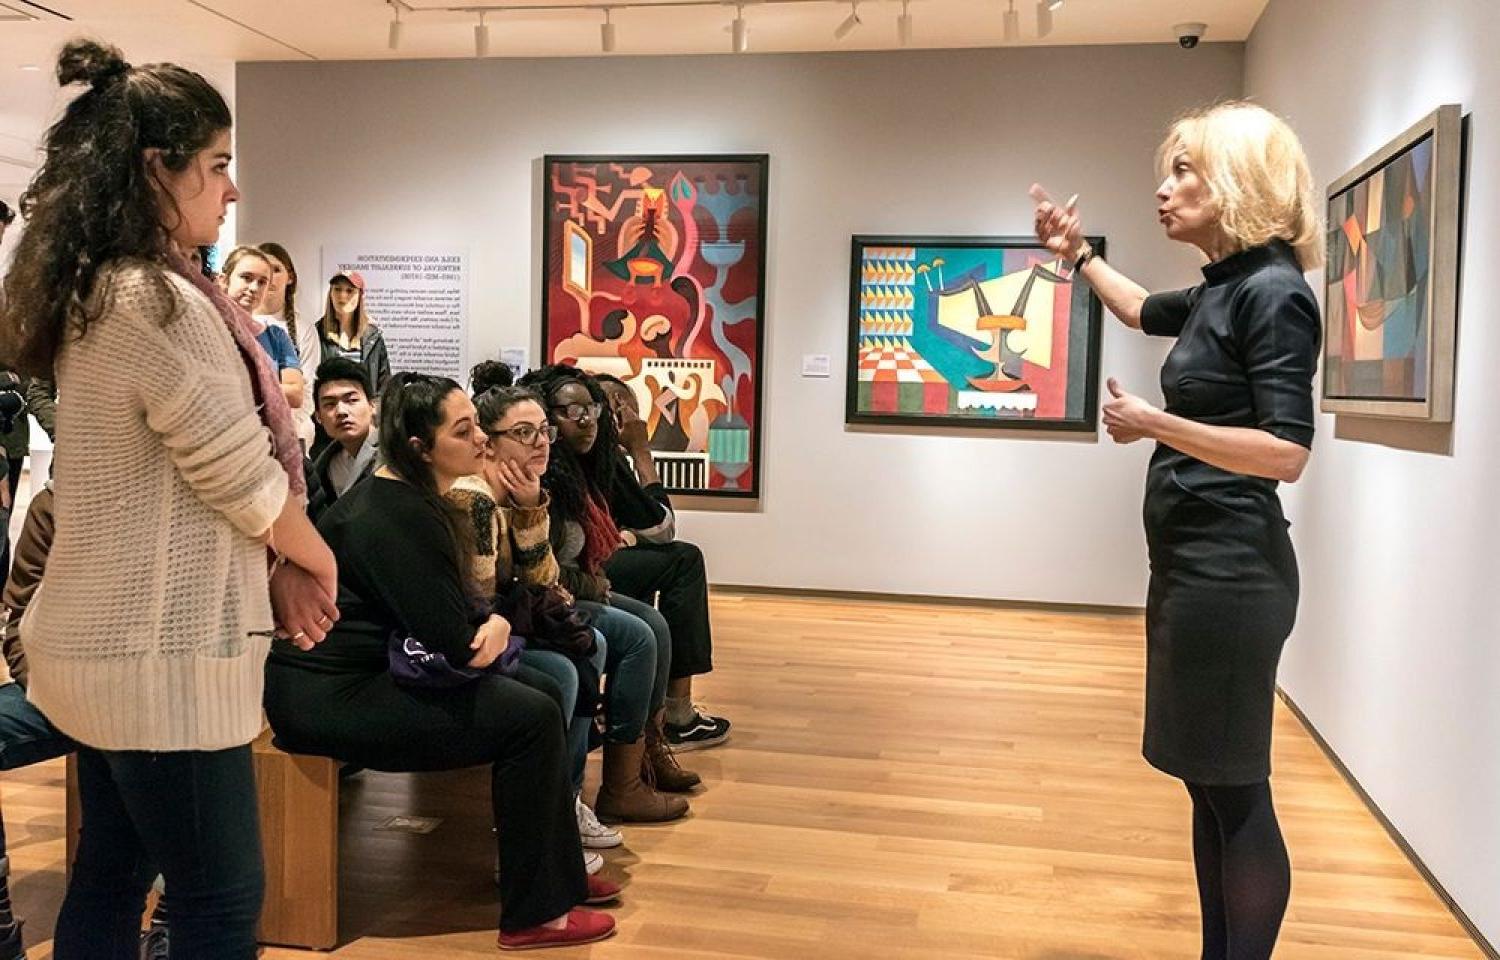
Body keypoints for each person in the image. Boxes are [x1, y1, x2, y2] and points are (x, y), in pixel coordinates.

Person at [0, 40, 340, 958]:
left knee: (112, 873)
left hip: (112, 649)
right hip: (161, 664)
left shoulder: (104, 287)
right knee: (221, 900)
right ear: (159, 168)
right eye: (218, 165)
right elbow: (240, 474)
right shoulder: (157, 300)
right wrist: (314, 555)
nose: (230, 191)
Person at [1032, 101, 1321, 960]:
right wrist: (1078, 256)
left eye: (1185, 169)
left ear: (1239, 180)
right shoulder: (1225, 286)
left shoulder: (1275, 293)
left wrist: (1158, 425)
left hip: (1233, 579)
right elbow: (1136, 309)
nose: (1164, 187)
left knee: (1236, 793)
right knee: (1207, 785)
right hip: (1195, 572)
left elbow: (1286, 452)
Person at [264, 373, 618, 949]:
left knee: (544, 695)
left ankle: (556, 878)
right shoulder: (395, 514)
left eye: (476, 424)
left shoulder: (413, 498)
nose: (481, 439)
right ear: (419, 449)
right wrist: (505, 619)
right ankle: (536, 915)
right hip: (328, 697)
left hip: (367, 672)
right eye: (465, 430)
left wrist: (500, 616)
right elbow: (461, 641)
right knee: (529, 717)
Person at [460, 383, 681, 829]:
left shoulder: (559, 474)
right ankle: (563, 805)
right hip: (487, 626)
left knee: (637, 627)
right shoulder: (479, 498)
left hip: (534, 607)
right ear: (488, 441)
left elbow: (544, 576)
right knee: (603, 644)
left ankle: (598, 787)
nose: (541, 440)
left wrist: (528, 508)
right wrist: (574, 587)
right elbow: (489, 596)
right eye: (524, 432)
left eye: (542, 430)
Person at [518, 365, 701, 800]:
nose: (586, 419)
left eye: (593, 408)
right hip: (548, 594)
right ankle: (623, 778)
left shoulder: (592, 464)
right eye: (571, 410)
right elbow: (535, 568)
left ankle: (641, 760)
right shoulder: (546, 474)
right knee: (642, 628)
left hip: (579, 582)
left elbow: (654, 527)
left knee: (653, 623)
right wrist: (641, 451)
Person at [596, 373, 730, 751]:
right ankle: (677, 714)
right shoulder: (606, 457)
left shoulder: (590, 456)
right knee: (683, 560)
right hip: (577, 575)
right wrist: (641, 451)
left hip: (582, 566)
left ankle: (642, 705)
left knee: (659, 563)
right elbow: (662, 527)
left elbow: (635, 528)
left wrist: (632, 536)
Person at [220, 245, 304, 412]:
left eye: (262, 282)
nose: (254, 288)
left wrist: (238, 387)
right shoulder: (209, 329)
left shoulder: (276, 337)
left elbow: (295, 395)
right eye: (246, 277)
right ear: (224, 280)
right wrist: (272, 388)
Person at [257, 242, 318, 450]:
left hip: (293, 430)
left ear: (290, 277)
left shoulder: (302, 330)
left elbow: (305, 392)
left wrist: (290, 425)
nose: (269, 277)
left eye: (276, 269)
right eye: (263, 270)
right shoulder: (240, 323)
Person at [305, 358, 378, 522]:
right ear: (318, 417)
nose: (341, 411)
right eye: (330, 404)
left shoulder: (395, 456)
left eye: (351, 400)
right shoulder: (321, 467)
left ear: (372, 406)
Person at [316, 270, 390, 398]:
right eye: (337, 289)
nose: (342, 296)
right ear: (330, 294)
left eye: (349, 291)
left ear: (360, 296)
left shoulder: (373, 337)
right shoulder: (317, 333)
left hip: (365, 414)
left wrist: (373, 412)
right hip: (328, 411)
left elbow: (384, 385)